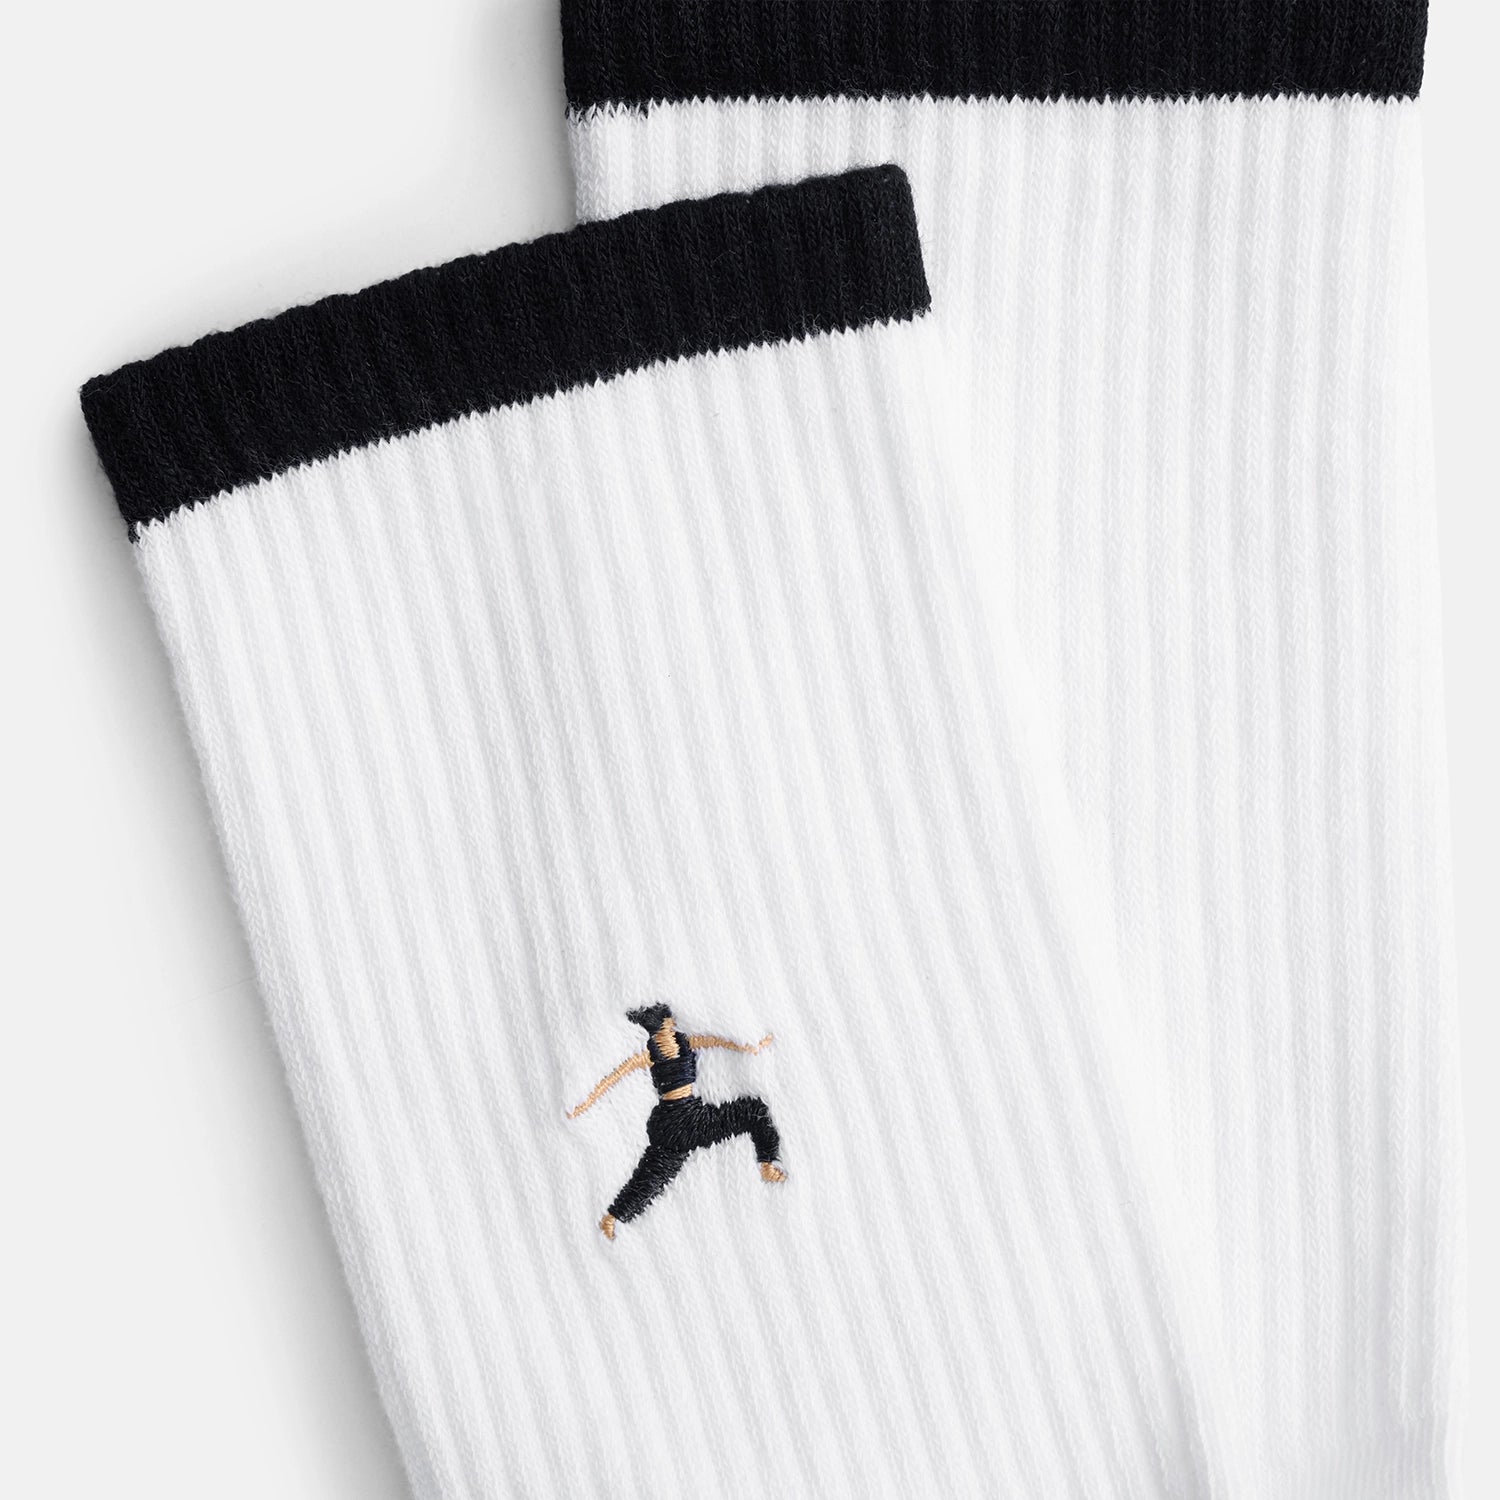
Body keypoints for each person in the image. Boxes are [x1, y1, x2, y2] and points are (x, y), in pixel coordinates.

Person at [567, 1004, 786, 1239]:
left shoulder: (685, 1043)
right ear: (662, 1025)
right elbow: (611, 1079)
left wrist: (750, 1047)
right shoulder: (652, 1053)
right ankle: (767, 1164)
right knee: (654, 1173)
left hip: (684, 1118)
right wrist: (584, 1104)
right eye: (667, 1021)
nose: (672, 1024)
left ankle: (611, 1218)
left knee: (655, 1172)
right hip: (681, 1120)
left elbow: (721, 1041)